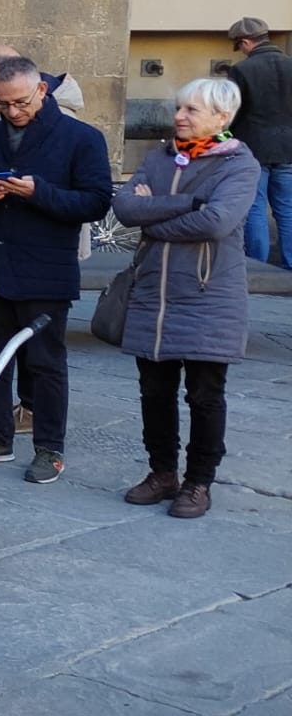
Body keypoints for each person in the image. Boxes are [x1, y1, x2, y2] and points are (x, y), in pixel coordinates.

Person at [0, 56, 113, 483]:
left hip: (45, 267)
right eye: (4, 105)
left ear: (42, 90)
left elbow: (96, 202)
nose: (13, 112)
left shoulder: (82, 138)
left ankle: (49, 448)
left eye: (20, 102)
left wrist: (39, 193)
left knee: (45, 363)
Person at [111, 78, 259, 520]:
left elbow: (216, 222)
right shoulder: (159, 156)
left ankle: (198, 482)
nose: (179, 116)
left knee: (205, 396)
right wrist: (186, 202)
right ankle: (162, 474)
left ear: (222, 118)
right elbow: (124, 208)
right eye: (179, 107)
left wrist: (155, 217)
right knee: (153, 392)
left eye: (192, 110)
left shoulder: (239, 164)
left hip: (208, 296)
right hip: (154, 295)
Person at [226, 17, 292, 268]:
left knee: (254, 209)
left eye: (239, 46)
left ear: (245, 42)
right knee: (287, 210)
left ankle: (257, 266)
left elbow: (230, 113)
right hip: (289, 150)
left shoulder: (242, 71)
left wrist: (222, 139)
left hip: (253, 150)